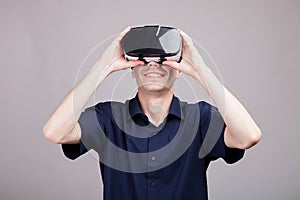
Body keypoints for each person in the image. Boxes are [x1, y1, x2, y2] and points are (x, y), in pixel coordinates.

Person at [43, 26, 262, 200]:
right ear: (131, 70)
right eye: (143, 59)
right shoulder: (108, 118)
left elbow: (249, 136)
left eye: (162, 59)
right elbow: (55, 132)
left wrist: (200, 70)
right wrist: (103, 65)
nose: (152, 65)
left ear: (178, 70)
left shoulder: (200, 118)